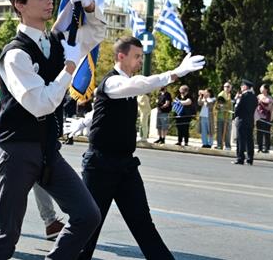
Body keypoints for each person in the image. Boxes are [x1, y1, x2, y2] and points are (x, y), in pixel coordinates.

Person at [0, 0, 103, 259]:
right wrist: (69, 69)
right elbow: (41, 104)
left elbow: (96, 33)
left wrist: (88, 7)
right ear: (19, 5)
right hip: (17, 151)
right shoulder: (15, 55)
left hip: (48, 149)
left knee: (88, 215)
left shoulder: (58, 42)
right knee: (5, 236)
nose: (49, 0)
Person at [77, 37, 205, 260]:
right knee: (88, 227)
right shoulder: (113, 82)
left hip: (125, 166)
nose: (139, 61)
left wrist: (85, 121)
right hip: (101, 166)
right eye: (136, 56)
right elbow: (140, 85)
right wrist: (175, 73)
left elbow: (103, 107)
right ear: (121, 56)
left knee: (143, 224)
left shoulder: (122, 86)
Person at [233, 79, 258, 165]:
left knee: (240, 140)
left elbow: (237, 108)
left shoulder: (243, 96)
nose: (241, 87)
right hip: (250, 120)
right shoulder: (254, 97)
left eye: (242, 85)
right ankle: (250, 158)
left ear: (245, 87)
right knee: (249, 140)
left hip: (241, 120)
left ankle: (240, 158)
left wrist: (236, 102)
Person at [255, 84, 273, 154]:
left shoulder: (269, 98)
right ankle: (259, 147)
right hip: (259, 117)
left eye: (262, 88)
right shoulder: (259, 96)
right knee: (259, 132)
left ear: (266, 89)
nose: (260, 89)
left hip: (266, 118)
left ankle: (266, 148)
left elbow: (269, 108)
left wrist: (261, 103)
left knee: (266, 133)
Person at [215, 82, 234, 150]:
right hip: (221, 116)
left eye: (228, 86)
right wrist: (222, 106)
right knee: (220, 132)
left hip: (228, 117)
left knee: (227, 132)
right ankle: (219, 145)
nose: (227, 88)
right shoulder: (221, 94)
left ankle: (228, 146)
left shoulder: (231, 95)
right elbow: (218, 105)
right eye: (225, 86)